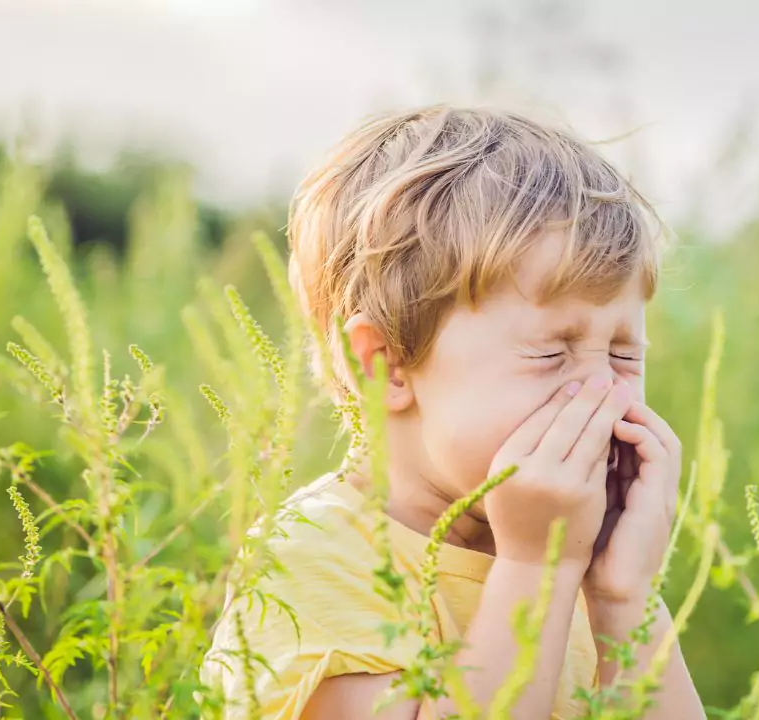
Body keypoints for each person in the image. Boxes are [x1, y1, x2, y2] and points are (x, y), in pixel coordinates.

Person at [202, 104, 703, 719]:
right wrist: (536, 573)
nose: (606, 395)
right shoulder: (313, 560)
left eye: (625, 355)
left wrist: (626, 601)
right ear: (383, 364)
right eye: (552, 352)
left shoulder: (566, 552)